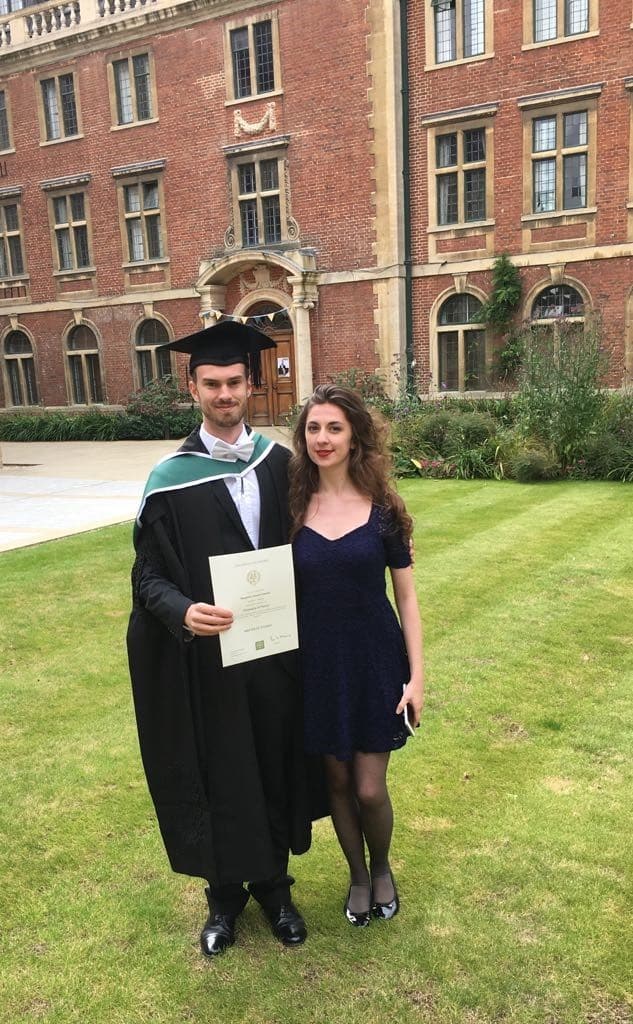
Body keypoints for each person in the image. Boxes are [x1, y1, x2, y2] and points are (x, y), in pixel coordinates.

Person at [127, 320, 324, 958]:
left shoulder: (284, 467)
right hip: (209, 662)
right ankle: (223, 898)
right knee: (219, 768)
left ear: (250, 383)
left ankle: (275, 890)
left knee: (270, 760)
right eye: (211, 383)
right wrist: (182, 611)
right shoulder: (168, 479)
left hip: (275, 657)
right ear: (192, 387)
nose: (224, 394)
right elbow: (147, 576)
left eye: (235, 382)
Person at [289, 384, 424, 927]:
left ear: (354, 438)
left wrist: (416, 677)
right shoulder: (293, 507)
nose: (322, 439)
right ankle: (359, 876)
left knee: (369, 787)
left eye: (334, 428)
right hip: (317, 665)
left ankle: (383, 865)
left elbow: (407, 596)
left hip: (374, 661)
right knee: (338, 783)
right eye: (314, 428)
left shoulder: (384, 509)